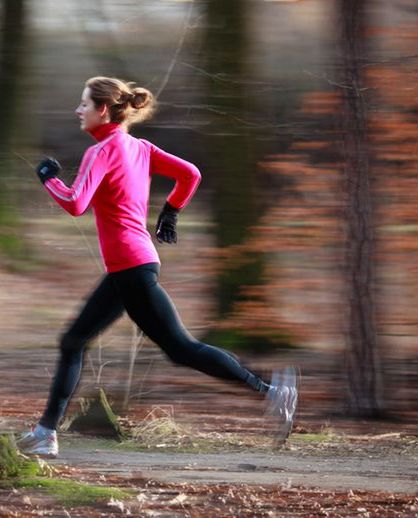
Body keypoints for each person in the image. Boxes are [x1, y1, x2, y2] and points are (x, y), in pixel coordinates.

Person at [17, 76, 297, 457]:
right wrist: (172, 212)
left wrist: (49, 180)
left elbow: (75, 203)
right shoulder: (140, 148)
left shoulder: (100, 153)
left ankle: (271, 391)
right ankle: (45, 432)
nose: (77, 110)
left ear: (103, 109)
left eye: (83, 103)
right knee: (100, 343)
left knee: (172, 347)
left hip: (131, 268)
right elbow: (190, 174)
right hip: (134, 265)